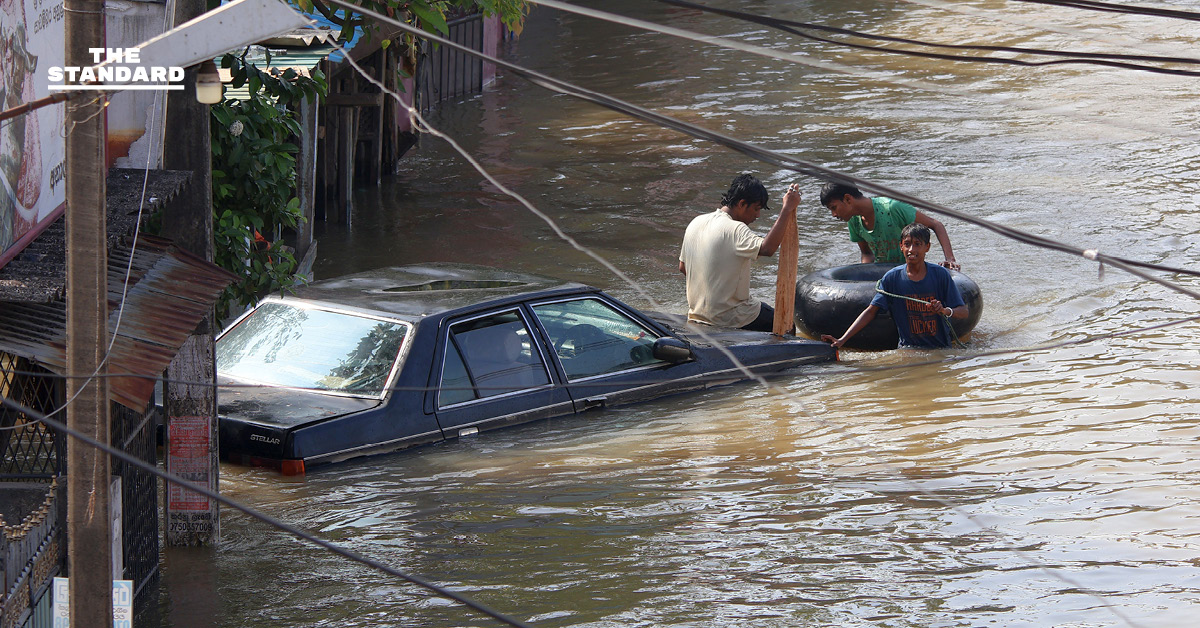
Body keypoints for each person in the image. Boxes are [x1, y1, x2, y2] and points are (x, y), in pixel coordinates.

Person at [679, 173, 800, 332]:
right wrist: (787, 208)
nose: (757, 215)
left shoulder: (696, 222)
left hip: (697, 315)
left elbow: (683, 267)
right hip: (731, 317)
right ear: (742, 204)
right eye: (756, 209)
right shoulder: (736, 229)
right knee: (787, 325)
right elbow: (767, 248)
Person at [822, 223, 967, 349]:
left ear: (927, 247)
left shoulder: (940, 275)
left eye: (917, 244)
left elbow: (963, 312)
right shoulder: (892, 278)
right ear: (901, 246)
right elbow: (871, 312)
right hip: (909, 348)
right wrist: (842, 340)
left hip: (940, 347)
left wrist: (944, 310)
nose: (911, 250)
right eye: (907, 244)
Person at [819, 182, 959, 270]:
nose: (834, 215)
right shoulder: (853, 221)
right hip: (884, 271)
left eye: (834, 208)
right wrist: (865, 274)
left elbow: (935, 224)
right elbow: (867, 253)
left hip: (909, 269)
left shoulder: (892, 208)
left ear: (848, 199)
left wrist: (950, 259)